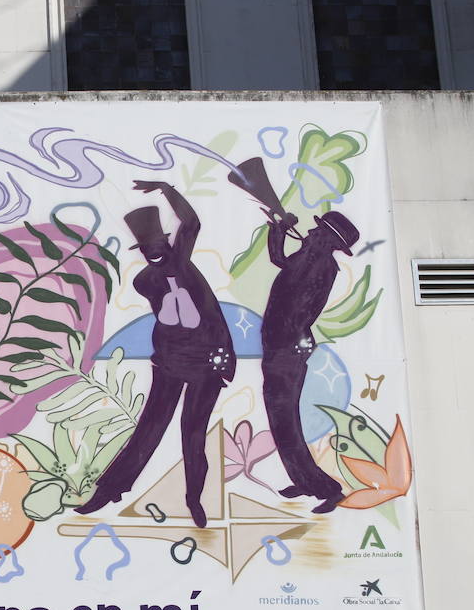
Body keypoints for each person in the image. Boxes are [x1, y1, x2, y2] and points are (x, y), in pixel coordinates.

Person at [76, 181, 234, 528]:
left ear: (168, 240)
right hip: (171, 362)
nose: (153, 250)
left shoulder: (181, 261)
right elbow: (167, 320)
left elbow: (191, 223)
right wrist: (161, 355)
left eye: (158, 243)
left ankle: (194, 499)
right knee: (148, 430)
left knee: (193, 435)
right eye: (147, 247)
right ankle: (109, 490)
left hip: (207, 363)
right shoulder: (145, 281)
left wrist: (167, 188)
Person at [260, 208, 360, 513]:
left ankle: (328, 489)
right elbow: (278, 260)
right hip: (280, 347)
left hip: (286, 349)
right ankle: (304, 480)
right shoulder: (307, 258)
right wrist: (278, 231)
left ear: (329, 240)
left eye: (319, 232)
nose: (311, 232)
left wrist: (282, 346)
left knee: (286, 420)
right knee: (281, 422)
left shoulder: (321, 267)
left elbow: (299, 310)